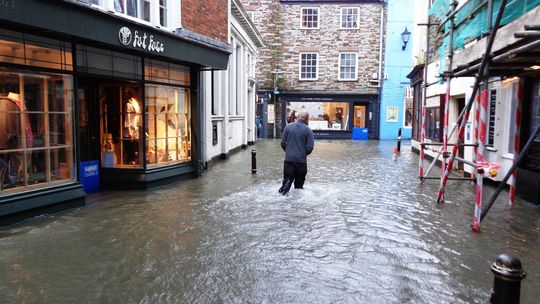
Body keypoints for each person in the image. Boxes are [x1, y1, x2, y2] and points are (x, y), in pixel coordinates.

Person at [279, 110, 315, 195]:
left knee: (286, 184)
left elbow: (283, 143)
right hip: (301, 162)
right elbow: (310, 147)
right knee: (299, 188)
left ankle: (282, 198)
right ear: (307, 119)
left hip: (289, 160)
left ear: (297, 116)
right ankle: (298, 207)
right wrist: (302, 154)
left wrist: (288, 152)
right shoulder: (308, 130)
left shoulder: (288, 127)